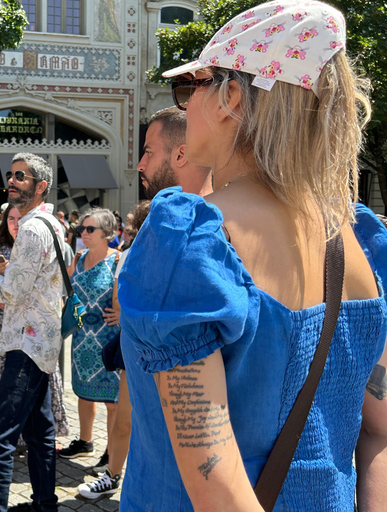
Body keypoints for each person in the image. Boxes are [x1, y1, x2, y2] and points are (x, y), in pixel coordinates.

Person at [118, 2, 387, 511]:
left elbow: (214, 483)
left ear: (232, 97)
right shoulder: (361, 239)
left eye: (193, 84)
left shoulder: (188, 238)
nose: (186, 103)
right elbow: (380, 434)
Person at [79, 110, 210, 503]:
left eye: (149, 152)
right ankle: (112, 472)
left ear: (181, 155)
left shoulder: (192, 233)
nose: (139, 164)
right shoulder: (168, 230)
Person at [0, 153, 63, 512]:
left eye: (21, 176)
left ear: (40, 186)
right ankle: (45, 504)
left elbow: (11, 293)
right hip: (39, 340)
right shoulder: (50, 223)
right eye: (11, 174)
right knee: (39, 433)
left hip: (27, 342)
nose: (12, 181)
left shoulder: (33, 228)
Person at [0, 203, 69, 438]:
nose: (15, 223)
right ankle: (13, 436)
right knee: (3, 384)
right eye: (10, 218)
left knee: (27, 389)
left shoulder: (36, 238)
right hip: (1, 324)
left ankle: (15, 438)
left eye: (19, 218)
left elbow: (18, 289)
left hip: (31, 329)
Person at [59, 209, 121, 466]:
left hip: (108, 340)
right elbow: (67, 291)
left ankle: (111, 452)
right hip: (83, 338)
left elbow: (132, 294)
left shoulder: (118, 260)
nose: (83, 233)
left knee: (112, 401)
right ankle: (85, 441)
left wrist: (123, 314)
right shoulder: (79, 256)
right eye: (82, 229)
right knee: (84, 392)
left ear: (107, 233)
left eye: (90, 229)